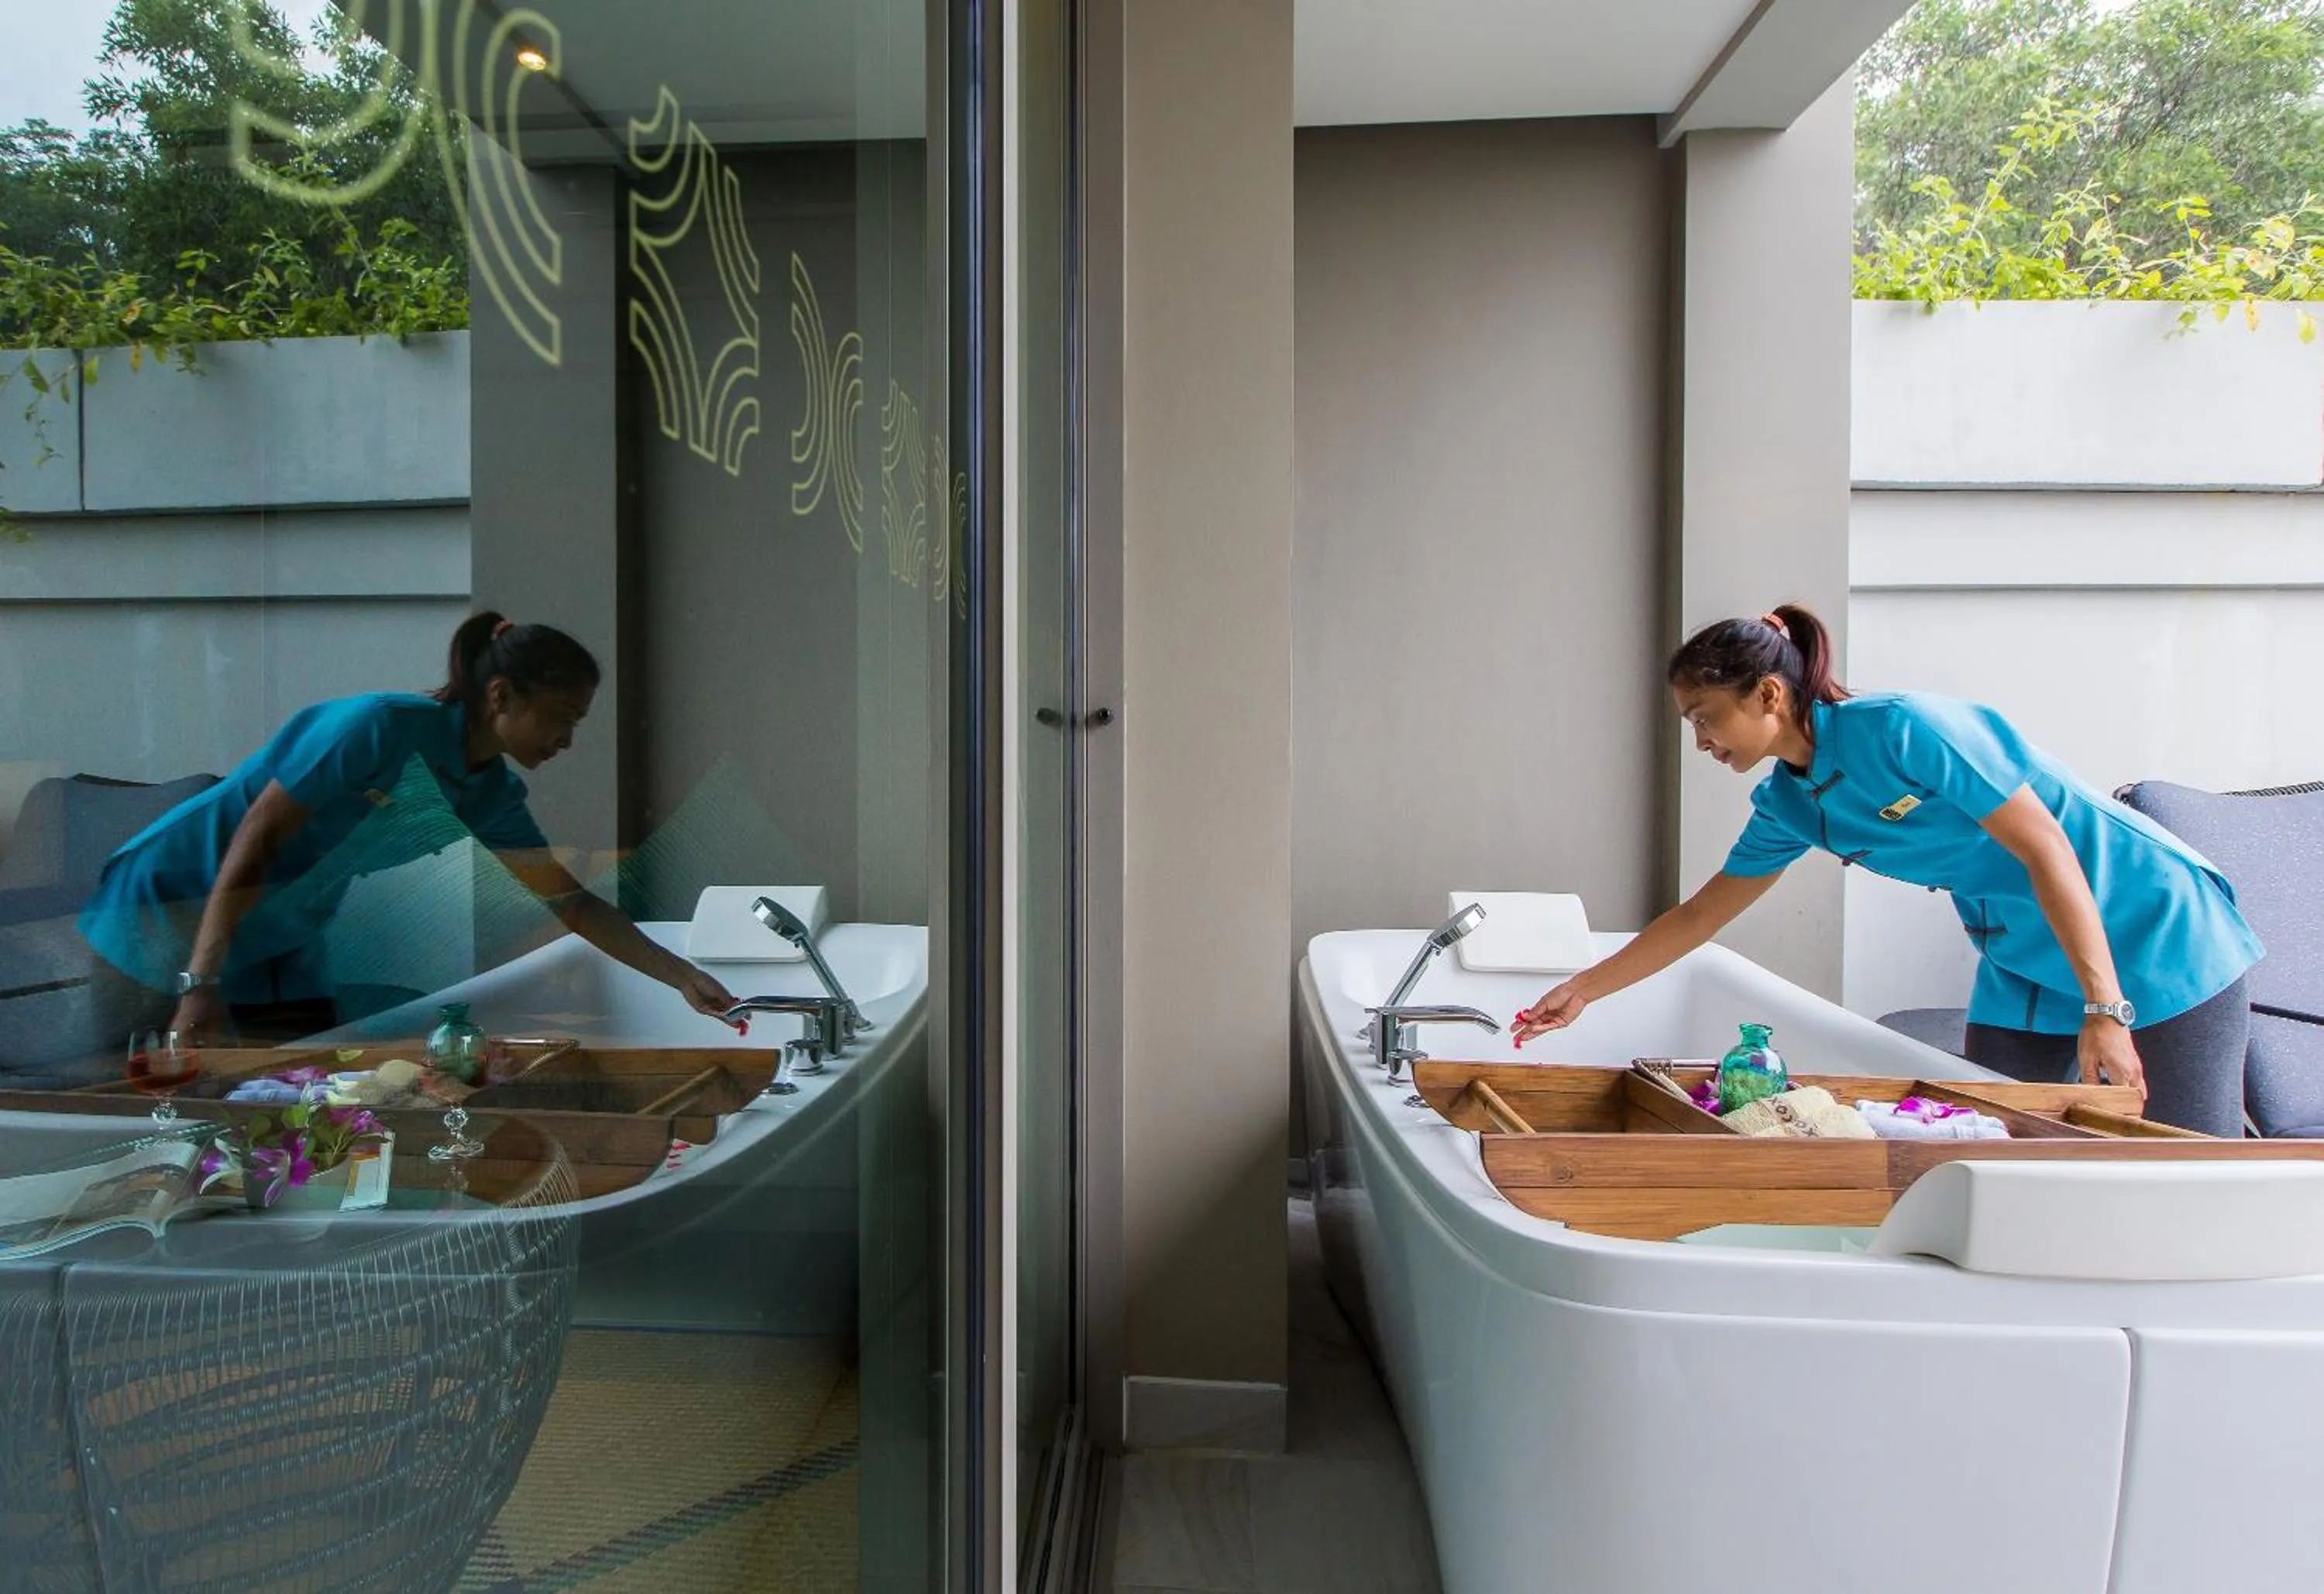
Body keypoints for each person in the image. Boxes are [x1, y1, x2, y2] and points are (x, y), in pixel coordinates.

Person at [1513, 603, 2264, 1137]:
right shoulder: (1789, 804)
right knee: (1990, 1145)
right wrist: (1581, 992)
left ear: (1769, 694)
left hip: (2151, 925)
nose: (1701, 740)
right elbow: (1700, 915)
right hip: (2024, 955)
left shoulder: (1908, 728)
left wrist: (2107, 1010)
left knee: (2195, 1163)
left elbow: (2047, 848)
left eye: (1705, 717)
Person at [77, 612, 737, 1058]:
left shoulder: (490, 793)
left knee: (287, 1091)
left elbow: (572, 903)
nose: (568, 738)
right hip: (167, 901)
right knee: (123, 1084)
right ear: (501, 695)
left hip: (274, 936)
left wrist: (682, 977)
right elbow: (258, 835)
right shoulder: (377, 726)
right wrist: (199, 981)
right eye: (562, 716)